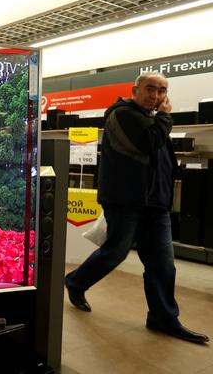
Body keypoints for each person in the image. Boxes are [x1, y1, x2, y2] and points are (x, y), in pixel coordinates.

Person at [64, 71, 209, 344]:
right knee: (115, 253)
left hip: (156, 204)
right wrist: (166, 116)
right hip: (126, 200)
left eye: (162, 91)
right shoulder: (122, 115)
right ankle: (75, 282)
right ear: (135, 90)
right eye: (150, 89)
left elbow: (158, 157)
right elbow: (149, 143)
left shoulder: (151, 120)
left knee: (163, 264)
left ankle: (163, 317)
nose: (156, 96)